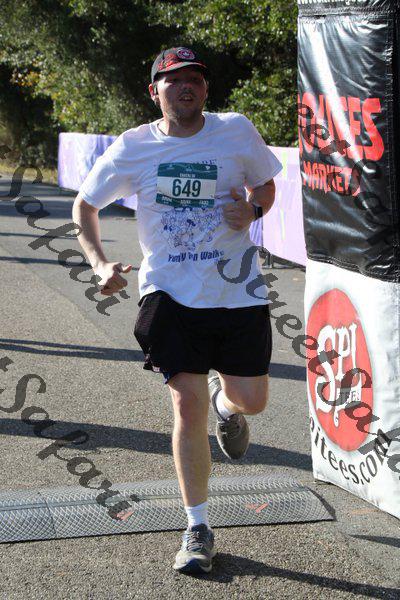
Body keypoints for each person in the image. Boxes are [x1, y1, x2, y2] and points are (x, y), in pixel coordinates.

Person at [73, 46, 282, 575]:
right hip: (168, 293)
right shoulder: (134, 146)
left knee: (253, 401)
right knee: (186, 407)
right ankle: (197, 527)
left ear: (206, 89)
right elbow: (85, 205)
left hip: (237, 291)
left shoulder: (236, 130)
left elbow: (266, 184)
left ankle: (227, 406)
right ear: (154, 91)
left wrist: (254, 208)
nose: (186, 85)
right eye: (173, 79)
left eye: (195, 78)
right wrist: (99, 264)